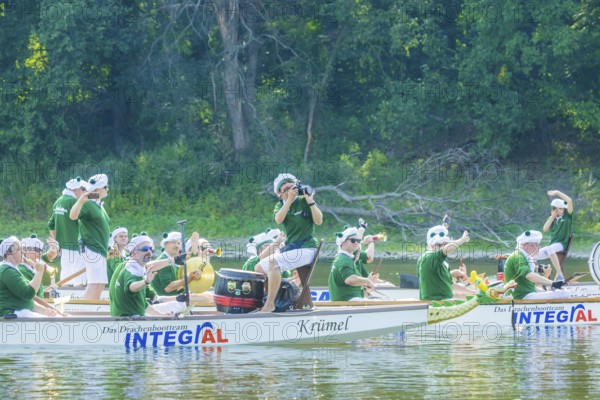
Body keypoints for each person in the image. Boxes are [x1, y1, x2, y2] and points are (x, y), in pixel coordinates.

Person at [256, 173, 323, 312]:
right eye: (286, 189)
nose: (290, 190)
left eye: (292, 186)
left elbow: (319, 221)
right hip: (292, 247)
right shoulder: (280, 205)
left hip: (308, 247)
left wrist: (310, 200)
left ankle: (270, 304)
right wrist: (289, 200)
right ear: (279, 193)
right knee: (259, 268)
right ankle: (273, 297)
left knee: (273, 263)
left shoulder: (304, 201)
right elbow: (278, 219)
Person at [69, 174, 111, 300]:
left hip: (100, 249)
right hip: (92, 248)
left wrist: (108, 247)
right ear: (97, 190)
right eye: (105, 187)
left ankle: (91, 309)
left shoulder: (98, 204)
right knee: (94, 284)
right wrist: (81, 200)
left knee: (100, 284)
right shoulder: (87, 204)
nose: (108, 189)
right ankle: (83, 313)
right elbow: (72, 216)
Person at [0, 236, 58, 317]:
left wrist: (44, 311)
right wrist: (39, 272)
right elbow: (28, 294)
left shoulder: (12, 269)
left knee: (54, 317)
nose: (23, 252)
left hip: (20, 312)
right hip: (12, 314)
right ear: (8, 253)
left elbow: (28, 301)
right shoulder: (6, 271)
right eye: (19, 249)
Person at [504, 230, 569, 300]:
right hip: (522, 297)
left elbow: (530, 284)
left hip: (523, 294)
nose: (539, 247)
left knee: (551, 291)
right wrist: (552, 283)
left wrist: (546, 290)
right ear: (527, 245)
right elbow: (529, 275)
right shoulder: (518, 257)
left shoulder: (522, 255)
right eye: (536, 244)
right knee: (565, 293)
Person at [48, 176, 88, 286]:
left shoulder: (58, 201)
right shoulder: (75, 202)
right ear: (76, 190)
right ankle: (79, 302)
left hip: (64, 247)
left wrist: (56, 243)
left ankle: (64, 301)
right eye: (83, 190)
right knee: (79, 278)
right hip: (77, 246)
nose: (85, 192)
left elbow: (50, 224)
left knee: (66, 277)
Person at [417, 225, 475, 300]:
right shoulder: (429, 257)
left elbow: (449, 284)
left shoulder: (439, 261)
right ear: (432, 244)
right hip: (435, 302)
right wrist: (462, 239)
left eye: (445, 244)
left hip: (444, 298)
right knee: (460, 296)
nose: (443, 246)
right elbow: (445, 250)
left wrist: (471, 292)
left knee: (463, 295)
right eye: (441, 244)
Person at [328, 227, 375, 301]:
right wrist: (367, 281)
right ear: (343, 242)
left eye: (358, 240)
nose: (356, 243)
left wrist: (365, 283)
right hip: (347, 300)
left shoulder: (344, 257)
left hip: (349, 299)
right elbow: (349, 280)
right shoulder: (344, 259)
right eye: (353, 240)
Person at [536, 190, 574, 280]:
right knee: (532, 255)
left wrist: (557, 192)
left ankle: (560, 275)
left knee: (550, 248)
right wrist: (552, 217)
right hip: (552, 246)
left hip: (561, 244)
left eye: (561, 209)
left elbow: (570, 201)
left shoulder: (567, 217)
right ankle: (535, 277)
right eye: (556, 209)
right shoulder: (552, 218)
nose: (559, 211)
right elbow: (545, 229)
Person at [151, 232, 202, 297]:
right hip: (164, 301)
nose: (177, 246)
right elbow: (168, 288)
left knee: (207, 296)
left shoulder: (173, 262)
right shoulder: (162, 261)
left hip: (173, 298)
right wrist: (189, 278)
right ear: (165, 244)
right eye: (173, 242)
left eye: (178, 243)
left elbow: (178, 286)